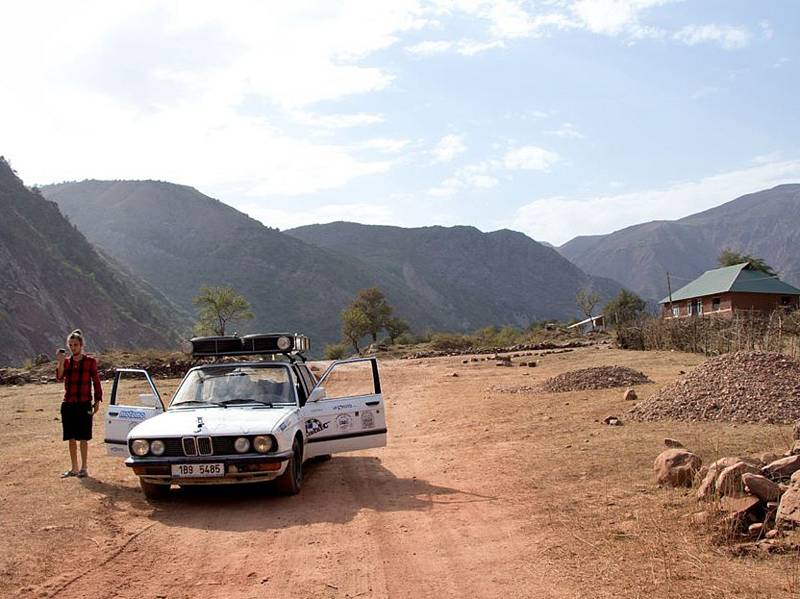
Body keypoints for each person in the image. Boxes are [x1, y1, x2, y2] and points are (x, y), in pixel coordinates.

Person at [55, 329, 103, 478]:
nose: (73, 347)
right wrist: (61, 361)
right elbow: (59, 377)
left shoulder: (90, 362)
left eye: (75, 344)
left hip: (84, 404)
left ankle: (84, 467)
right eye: (70, 345)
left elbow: (96, 381)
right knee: (71, 437)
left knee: (83, 438)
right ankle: (74, 468)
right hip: (69, 404)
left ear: (81, 345)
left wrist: (97, 401)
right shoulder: (67, 362)